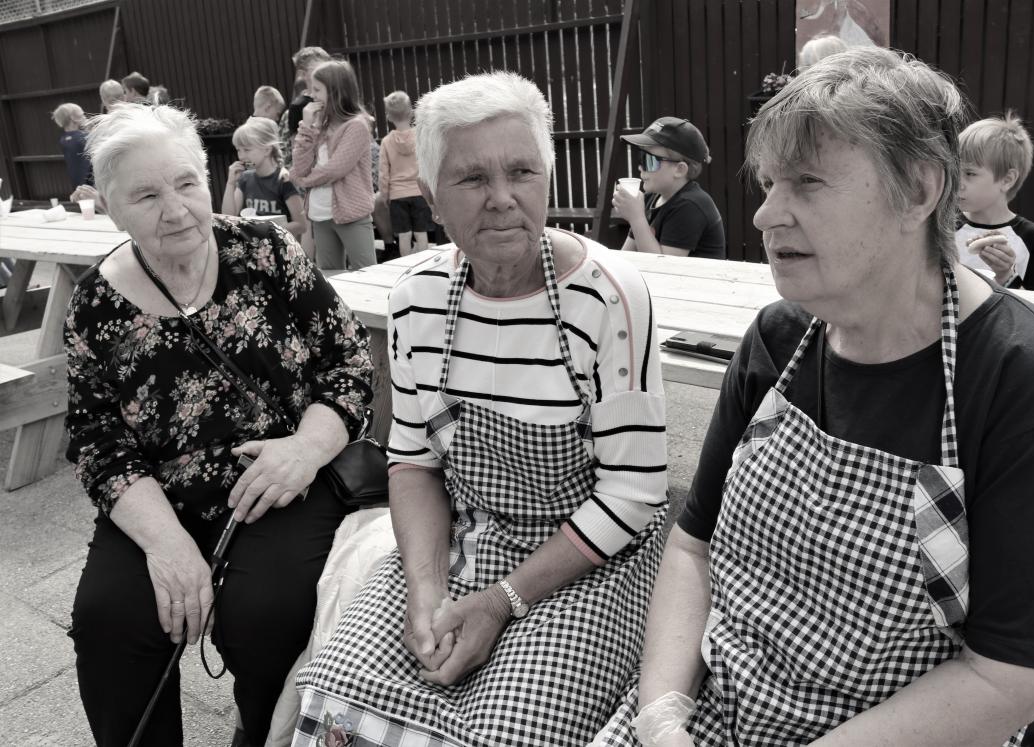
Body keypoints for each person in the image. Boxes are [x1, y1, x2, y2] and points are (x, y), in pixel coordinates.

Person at [596, 47, 1034, 746]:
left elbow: (1008, 675)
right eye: (769, 183)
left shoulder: (1017, 376)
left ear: (918, 191)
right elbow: (692, 546)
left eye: (806, 181)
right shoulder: (777, 338)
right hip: (710, 717)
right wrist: (660, 714)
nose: (766, 214)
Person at [291, 71, 669, 746]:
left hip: (590, 556)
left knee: (510, 731)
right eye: (472, 178)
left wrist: (500, 602)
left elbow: (634, 495)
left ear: (547, 179)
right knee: (339, 701)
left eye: (522, 171)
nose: (502, 198)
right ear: (431, 197)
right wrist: (426, 590)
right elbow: (412, 462)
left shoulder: (608, 296)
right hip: (468, 534)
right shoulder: (417, 299)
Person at [64, 103, 375, 747]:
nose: (176, 209)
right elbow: (98, 443)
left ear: (207, 178)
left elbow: (348, 363)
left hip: (282, 479)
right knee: (109, 620)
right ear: (112, 210)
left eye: (185, 183)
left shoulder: (265, 250)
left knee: (268, 613)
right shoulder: (94, 302)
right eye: (147, 195)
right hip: (158, 497)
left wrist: (305, 449)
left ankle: (262, 733)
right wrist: (168, 546)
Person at [956, 113, 1034, 292]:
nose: (957, 183)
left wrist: (1006, 276)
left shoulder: (1032, 238)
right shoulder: (942, 228)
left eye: (970, 173)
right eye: (955, 171)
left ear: (1007, 180)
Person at [290, 59, 377, 269]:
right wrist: (307, 126)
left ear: (335, 91)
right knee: (331, 278)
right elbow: (301, 166)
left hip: (351, 214)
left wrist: (302, 181)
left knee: (367, 272)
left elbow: (335, 169)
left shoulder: (357, 126)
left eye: (317, 89)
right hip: (320, 215)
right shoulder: (319, 125)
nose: (311, 95)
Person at [613, 116, 726, 259]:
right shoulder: (649, 199)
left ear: (679, 169)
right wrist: (635, 217)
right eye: (641, 157)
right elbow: (626, 257)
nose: (640, 167)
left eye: (649, 160)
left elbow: (664, 267)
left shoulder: (690, 206)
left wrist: (636, 218)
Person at [224, 116, 307, 237]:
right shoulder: (245, 178)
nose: (241, 156)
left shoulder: (284, 179)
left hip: (282, 245)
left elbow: (301, 225)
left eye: (247, 150)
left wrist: (264, 230)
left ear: (267, 150)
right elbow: (228, 218)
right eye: (238, 150)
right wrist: (230, 183)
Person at [379, 90, 433, 254]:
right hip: (419, 192)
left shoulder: (386, 142)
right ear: (411, 112)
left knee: (404, 235)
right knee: (421, 233)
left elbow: (383, 174)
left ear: (389, 117)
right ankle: (424, 262)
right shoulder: (420, 137)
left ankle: (407, 263)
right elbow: (428, 163)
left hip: (397, 196)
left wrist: (385, 195)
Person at [51, 102, 92, 189]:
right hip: (91, 183)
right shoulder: (83, 137)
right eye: (82, 115)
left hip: (77, 184)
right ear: (73, 118)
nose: (85, 117)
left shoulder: (64, 139)